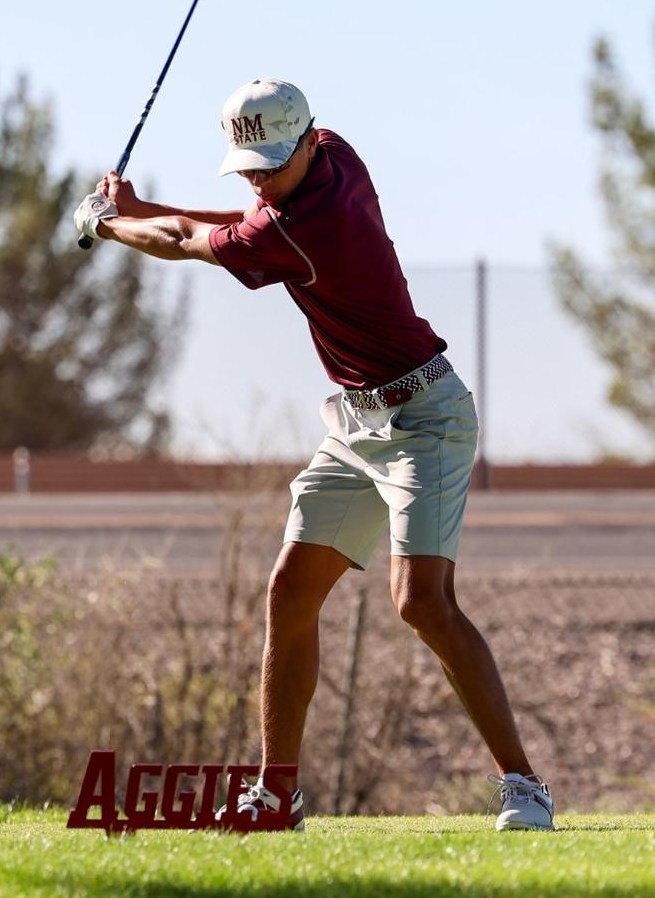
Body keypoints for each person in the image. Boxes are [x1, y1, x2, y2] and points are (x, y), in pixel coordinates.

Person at [75, 79, 554, 832]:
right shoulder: (337, 157)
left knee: (421, 602)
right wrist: (134, 211)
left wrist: (109, 226)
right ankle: (276, 796)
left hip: (425, 419)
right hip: (355, 424)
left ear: (306, 140)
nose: (261, 179)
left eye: (272, 162)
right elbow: (243, 223)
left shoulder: (306, 227)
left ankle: (525, 786)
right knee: (289, 590)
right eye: (250, 166)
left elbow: (192, 243)